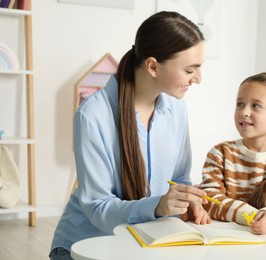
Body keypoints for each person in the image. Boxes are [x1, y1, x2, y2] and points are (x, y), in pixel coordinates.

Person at [50, 11, 211, 259]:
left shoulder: (177, 109)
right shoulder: (93, 115)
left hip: (145, 242)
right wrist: (157, 206)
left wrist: (188, 201)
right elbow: (98, 207)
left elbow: (179, 178)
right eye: (190, 70)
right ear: (153, 66)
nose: (198, 79)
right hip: (86, 245)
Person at [198, 72, 266, 235]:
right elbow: (210, 199)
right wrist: (250, 215)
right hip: (224, 239)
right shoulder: (220, 153)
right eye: (240, 104)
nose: (244, 112)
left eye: (255, 106)